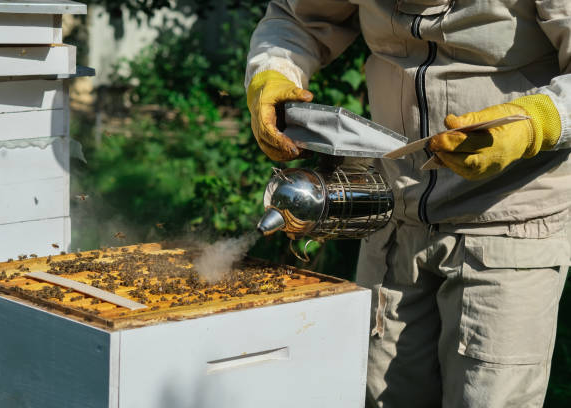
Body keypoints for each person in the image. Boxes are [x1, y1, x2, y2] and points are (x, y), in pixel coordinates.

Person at [244, 1, 571, 407]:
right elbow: (297, 18)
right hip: (394, 217)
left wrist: (537, 121)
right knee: (379, 395)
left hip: (510, 221)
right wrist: (273, 73)